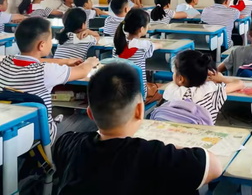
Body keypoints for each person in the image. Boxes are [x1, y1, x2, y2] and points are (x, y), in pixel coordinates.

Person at [53, 62, 222, 194]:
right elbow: (214, 166)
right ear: (140, 111)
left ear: (90, 113)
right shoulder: (155, 154)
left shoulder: (68, 143)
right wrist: (175, 147)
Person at [0, 18, 98, 142]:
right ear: (41, 45)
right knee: (94, 120)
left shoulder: (5, 62)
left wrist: (65, 61)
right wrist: (90, 61)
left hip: (12, 132)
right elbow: (82, 71)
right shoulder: (45, 71)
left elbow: (34, 60)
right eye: (50, 39)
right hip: (44, 136)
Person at [162, 50, 244, 124]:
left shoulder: (173, 92)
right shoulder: (211, 91)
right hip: (202, 136)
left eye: (174, 72)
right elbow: (240, 83)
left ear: (180, 78)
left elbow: (178, 82)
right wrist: (221, 78)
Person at [113, 8, 160, 104]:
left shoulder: (117, 45)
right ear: (141, 29)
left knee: (150, 85)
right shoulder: (143, 46)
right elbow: (160, 45)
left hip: (120, 93)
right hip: (138, 95)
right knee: (163, 89)